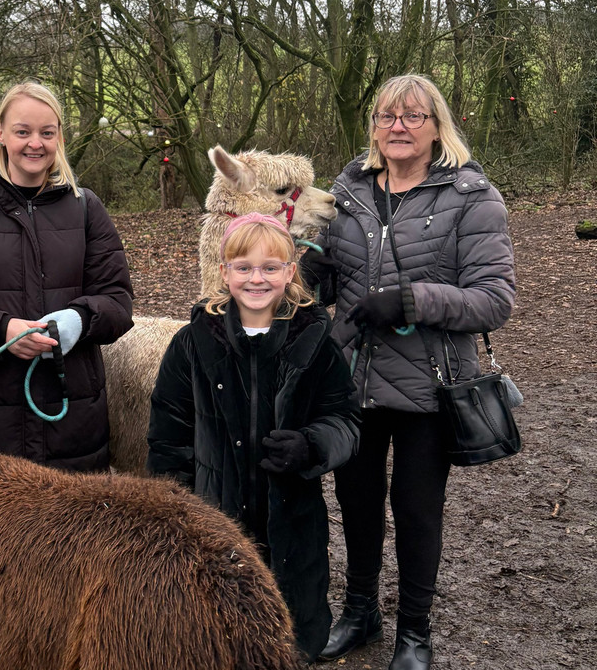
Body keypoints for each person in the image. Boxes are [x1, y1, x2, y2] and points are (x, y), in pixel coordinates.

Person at [300, 74, 516, 670]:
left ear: (436, 126)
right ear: (374, 125)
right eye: (387, 116)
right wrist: (278, 252)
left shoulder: (473, 197)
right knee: (357, 499)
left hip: (432, 383)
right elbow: (317, 277)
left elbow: (494, 298)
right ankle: (360, 611)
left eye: (413, 116)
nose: (398, 126)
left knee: (416, 508)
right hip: (353, 377)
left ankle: (414, 634)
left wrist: (410, 301)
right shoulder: (346, 191)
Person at [146, 212, 360, 662]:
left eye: (269, 267)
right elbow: (168, 436)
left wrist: (312, 445)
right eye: (243, 267)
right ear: (224, 272)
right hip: (212, 520)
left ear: (289, 271)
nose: (256, 279)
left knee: (288, 635)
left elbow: (345, 419)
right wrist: (173, 512)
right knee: (213, 635)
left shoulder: (316, 342)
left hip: (292, 520)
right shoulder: (191, 344)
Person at [0, 81, 134, 472]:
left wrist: (76, 321)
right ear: (0, 133)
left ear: (60, 138)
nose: (34, 143)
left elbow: (117, 301)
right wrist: (1, 330)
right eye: (23, 131)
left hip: (75, 427)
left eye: (46, 132)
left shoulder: (86, 208)